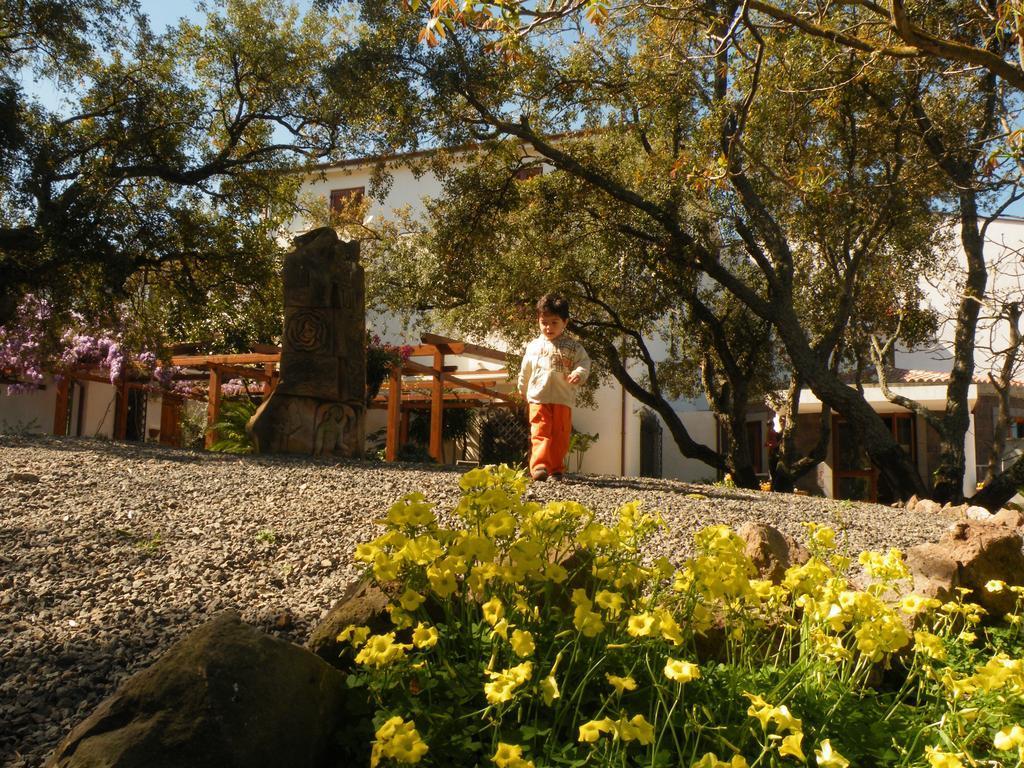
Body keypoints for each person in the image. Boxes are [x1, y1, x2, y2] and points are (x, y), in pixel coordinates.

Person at [517, 293, 591, 481]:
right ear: (538, 321)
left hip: (562, 398)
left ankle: (556, 468)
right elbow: (525, 369)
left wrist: (579, 374)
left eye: (554, 322)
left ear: (565, 322)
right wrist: (523, 388)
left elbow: (584, 363)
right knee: (540, 431)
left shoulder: (573, 347)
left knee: (561, 434)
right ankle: (540, 466)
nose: (548, 327)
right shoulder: (533, 346)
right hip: (538, 397)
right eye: (544, 322)